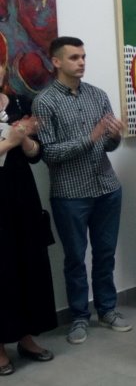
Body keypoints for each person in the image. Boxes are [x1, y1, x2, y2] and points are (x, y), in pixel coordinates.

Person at [33, 36, 132, 345]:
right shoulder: (45, 101)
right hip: (70, 194)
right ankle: (78, 317)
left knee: (105, 254)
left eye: (83, 57)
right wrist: (91, 137)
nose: (81, 62)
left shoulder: (98, 95)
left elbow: (109, 145)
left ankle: (107, 309)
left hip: (107, 188)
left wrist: (114, 135)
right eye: (74, 57)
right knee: (75, 259)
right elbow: (49, 153)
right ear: (56, 61)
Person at [0, 64, 57, 376]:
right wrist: (9, 142)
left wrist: (23, 140)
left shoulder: (19, 102)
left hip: (21, 194)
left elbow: (35, 154)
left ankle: (26, 336)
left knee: (27, 262)